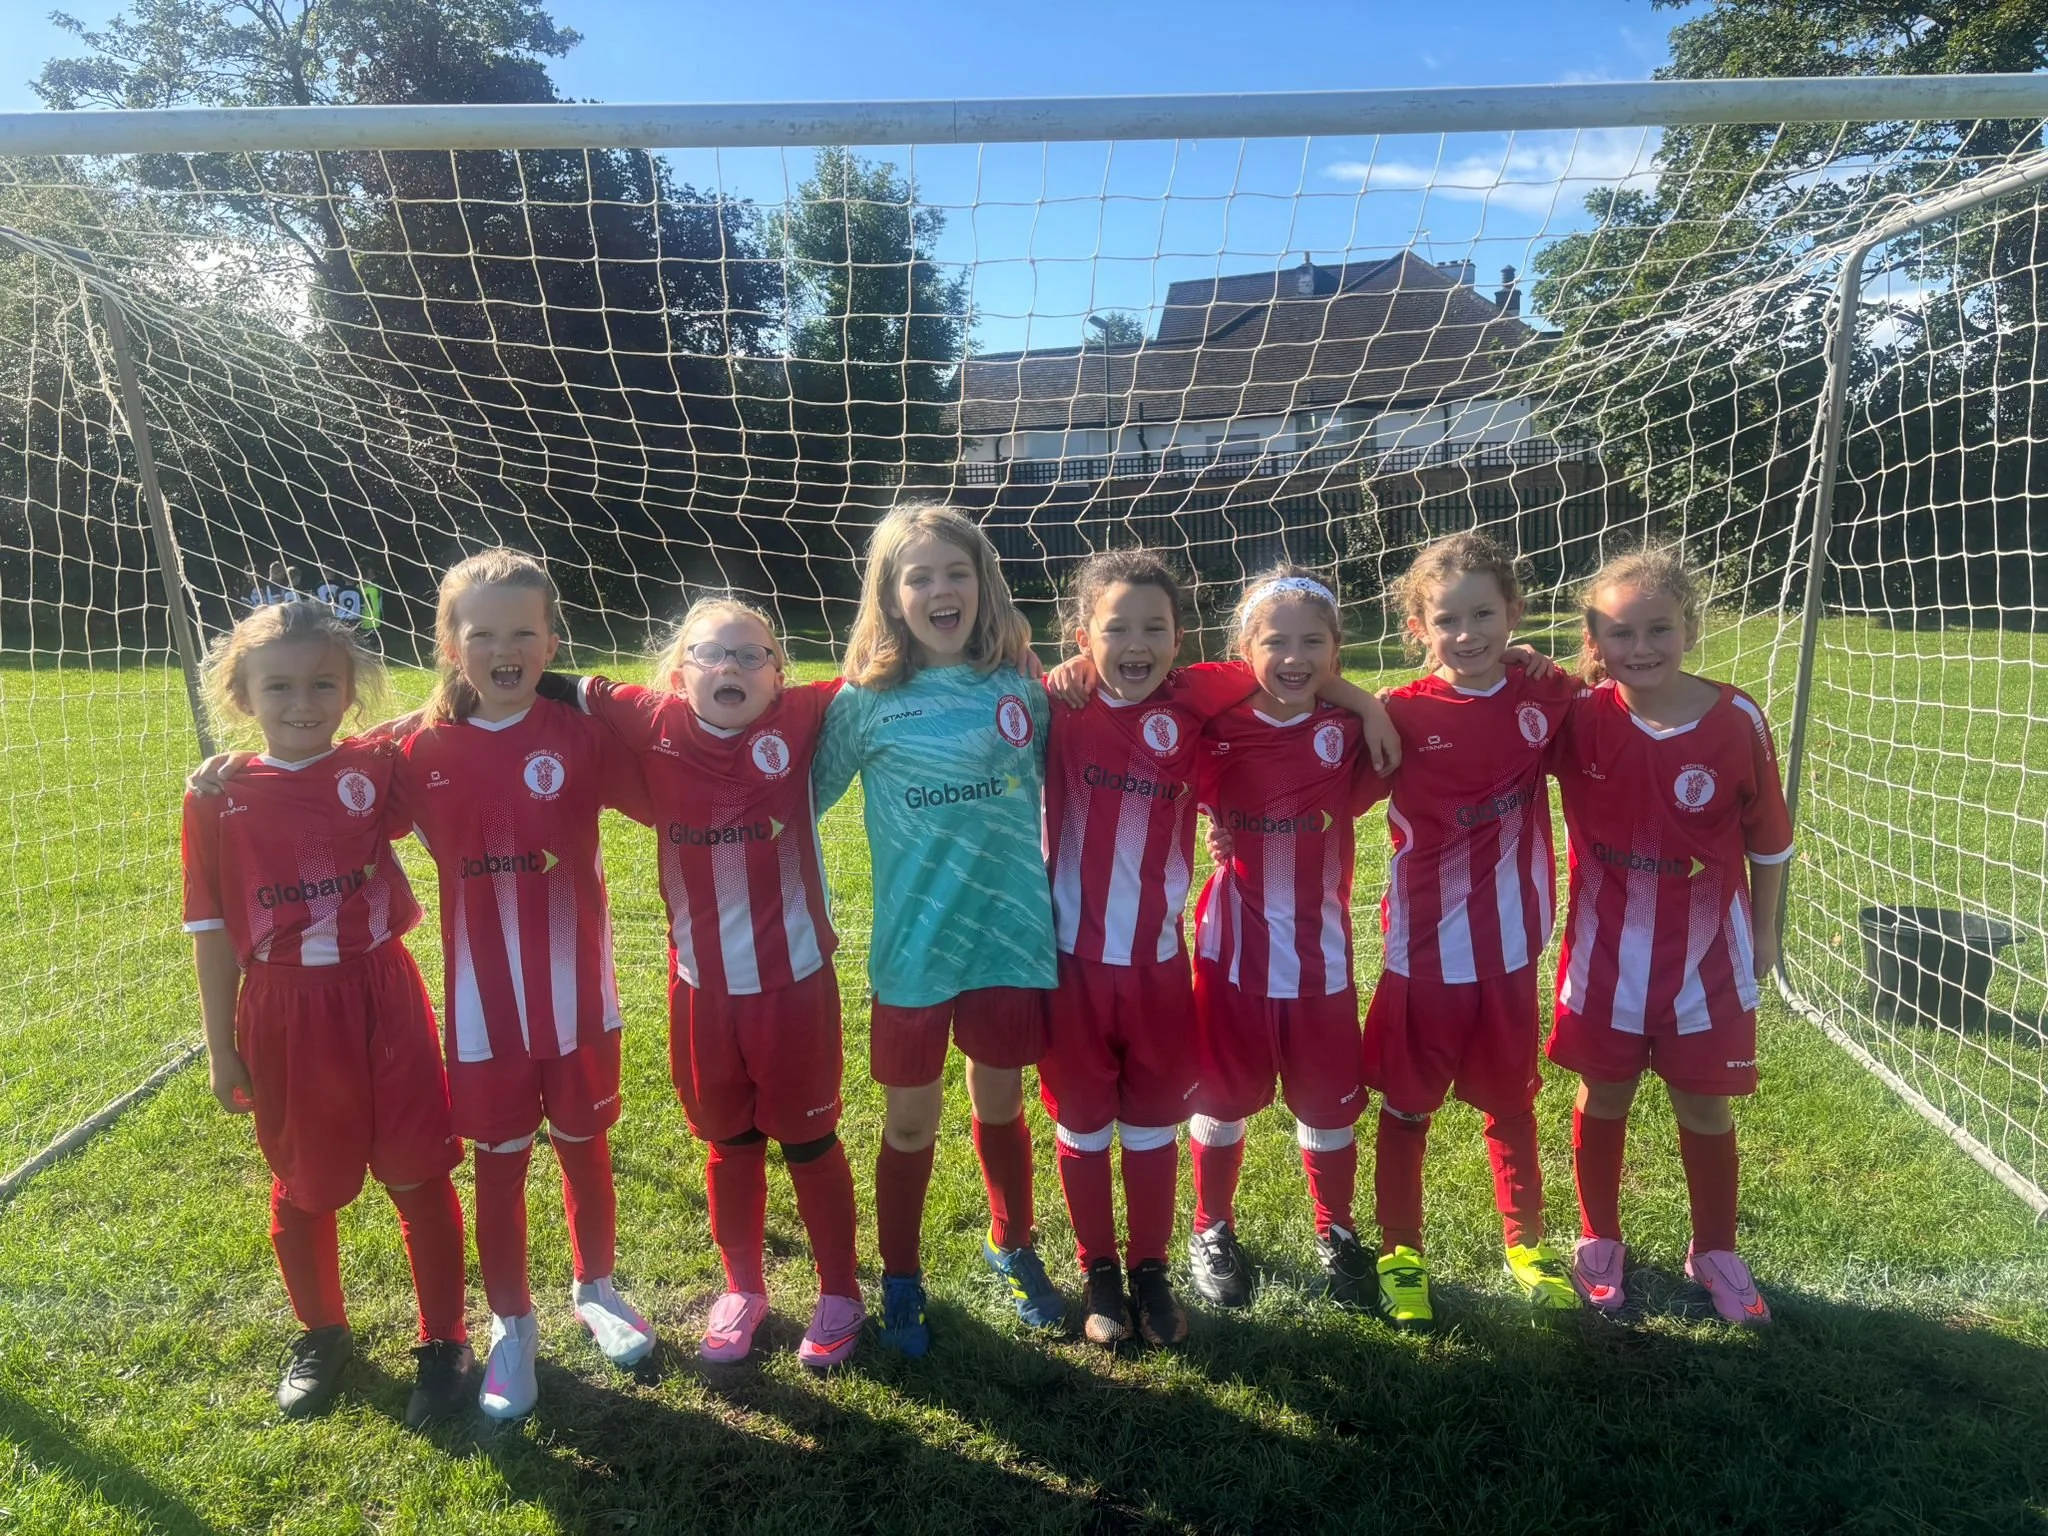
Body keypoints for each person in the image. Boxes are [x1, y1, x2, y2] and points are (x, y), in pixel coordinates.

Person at [1040, 550, 1398, 1344]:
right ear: (1083, 637)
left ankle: (1156, 1267)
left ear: (1182, 639)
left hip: (1169, 965)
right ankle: (1104, 1268)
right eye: (1116, 629)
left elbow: (1291, 665)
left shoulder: (1203, 699)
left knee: (1157, 1116)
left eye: (1154, 628)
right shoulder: (1058, 707)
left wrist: (1364, 703)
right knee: (1089, 1120)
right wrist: (1067, 668)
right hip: (1074, 962)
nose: (1137, 643)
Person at [534, 596, 863, 1369]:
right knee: (730, 1142)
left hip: (796, 985)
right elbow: (560, 686)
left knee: (811, 1141)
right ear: (680, 676)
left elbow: (886, 671)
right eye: (712, 655)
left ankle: (840, 1292)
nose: (732, 668)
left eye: (752, 656)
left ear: (781, 677)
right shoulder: (649, 721)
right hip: (701, 992)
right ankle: (742, 1287)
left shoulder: (806, 717)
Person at [181, 600, 470, 1426]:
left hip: (382, 992)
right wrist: (219, 1050)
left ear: (350, 693)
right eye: (279, 686)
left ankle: (443, 1341)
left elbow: (453, 702)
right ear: (241, 693)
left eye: (323, 684)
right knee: (306, 1183)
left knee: (417, 1169)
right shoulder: (216, 796)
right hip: (284, 1012)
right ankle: (321, 1333)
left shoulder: (375, 765)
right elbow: (209, 933)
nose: (302, 701)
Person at [810, 498, 1057, 1354]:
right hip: (914, 951)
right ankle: (902, 1273)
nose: (941, 590)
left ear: (984, 587)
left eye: (958, 573)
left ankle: (1010, 1242)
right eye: (920, 576)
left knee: (1001, 1099)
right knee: (909, 1123)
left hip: (1009, 939)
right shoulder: (865, 704)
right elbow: (796, 803)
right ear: (890, 595)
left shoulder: (1023, 690)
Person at [1548, 546, 1793, 1325]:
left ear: (1691, 627)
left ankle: (1714, 1248)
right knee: (1604, 1094)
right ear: (1594, 640)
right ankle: (1598, 1238)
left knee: (1706, 1107)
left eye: (1659, 629)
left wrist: (1765, 938)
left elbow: (1770, 844)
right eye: (1620, 634)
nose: (1641, 648)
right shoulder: (1580, 718)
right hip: (1604, 957)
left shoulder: (1735, 719)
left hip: (1707, 962)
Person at [1356, 532, 1580, 1328]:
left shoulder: (1544, 695)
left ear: (1514, 614)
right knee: (1407, 1109)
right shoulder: (1399, 715)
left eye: (1484, 613)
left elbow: (1606, 688)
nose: (1468, 633)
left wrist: (1543, 661)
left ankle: (1526, 1243)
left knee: (1511, 1104)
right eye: (1446, 619)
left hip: (1511, 951)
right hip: (1423, 955)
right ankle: (1400, 1250)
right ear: (1418, 627)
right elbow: (1314, 771)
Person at [1184, 567, 1382, 1310]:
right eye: (1275, 641)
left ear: (1336, 652)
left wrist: (1364, 701)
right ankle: (1211, 1226)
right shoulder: (1216, 730)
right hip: (1231, 950)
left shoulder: (1354, 731)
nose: (1294, 657)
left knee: (1329, 1108)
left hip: (1320, 956)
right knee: (1223, 1096)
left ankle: (1335, 1230)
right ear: (1244, 649)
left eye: (1313, 642)